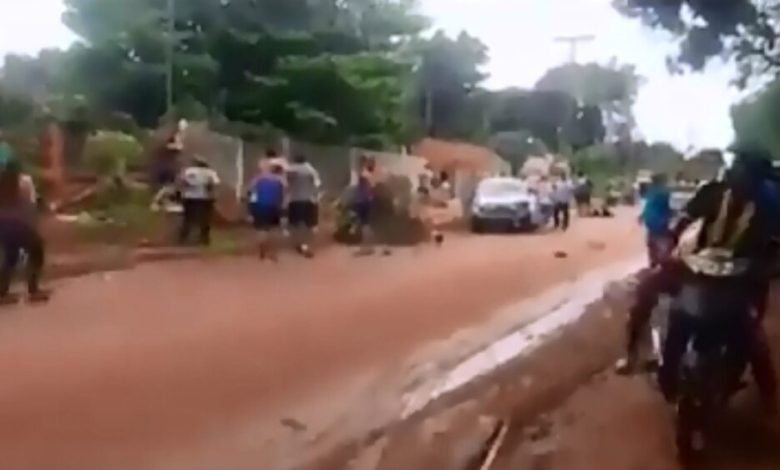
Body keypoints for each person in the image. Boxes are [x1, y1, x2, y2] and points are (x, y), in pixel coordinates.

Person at [618, 150, 779, 412]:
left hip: (742, 279)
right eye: (734, 165)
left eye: (741, 168)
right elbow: (683, 221)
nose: (732, 171)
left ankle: (768, 395)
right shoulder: (712, 192)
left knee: (753, 337)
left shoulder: (770, 207)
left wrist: (766, 269)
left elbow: (775, 249)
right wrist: (669, 246)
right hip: (695, 267)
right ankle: (631, 353)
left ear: (756, 179)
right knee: (647, 288)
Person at [0, 156, 49, 304]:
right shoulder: (24, 182)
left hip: (2, 225)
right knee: (37, 249)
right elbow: (31, 204)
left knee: (11, 255)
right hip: (18, 223)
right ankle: (34, 290)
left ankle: (2, 293)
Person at [178, 156, 220, 246]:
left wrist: (186, 189)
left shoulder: (188, 171)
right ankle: (204, 239)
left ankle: (183, 238)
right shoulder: (210, 172)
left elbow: (182, 182)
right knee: (205, 219)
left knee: (188, 218)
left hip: (189, 197)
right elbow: (213, 184)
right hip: (205, 198)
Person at [286, 155, 321, 258]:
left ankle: (299, 243)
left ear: (295, 160)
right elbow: (317, 185)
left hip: (294, 199)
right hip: (309, 199)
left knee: (296, 223)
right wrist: (316, 196)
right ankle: (305, 244)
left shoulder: (291, 169)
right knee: (309, 224)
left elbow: (286, 183)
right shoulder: (311, 170)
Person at [249, 162, 286, 261]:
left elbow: (251, 192)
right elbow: (283, 195)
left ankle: (262, 249)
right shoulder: (280, 180)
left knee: (261, 229)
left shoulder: (258, 179)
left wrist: (251, 208)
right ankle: (273, 252)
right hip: (274, 206)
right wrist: (283, 209)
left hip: (260, 205)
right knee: (274, 229)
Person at [641, 173, 673, 268]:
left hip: (651, 222)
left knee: (652, 244)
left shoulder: (651, 192)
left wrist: (642, 216)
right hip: (660, 223)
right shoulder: (664, 193)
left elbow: (648, 207)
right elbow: (666, 207)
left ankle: (653, 263)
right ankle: (662, 265)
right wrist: (672, 213)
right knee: (663, 245)